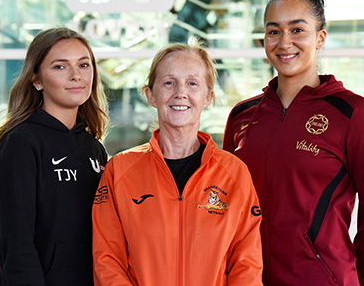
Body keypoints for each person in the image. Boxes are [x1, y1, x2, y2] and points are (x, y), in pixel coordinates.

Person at [223, 0, 364, 286]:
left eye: (298, 29)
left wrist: (343, 278)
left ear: (320, 38)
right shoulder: (242, 116)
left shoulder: (353, 114)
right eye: (274, 31)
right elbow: (227, 207)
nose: (285, 42)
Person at [92, 42, 263, 285]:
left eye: (192, 83)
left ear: (208, 97)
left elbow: (247, 264)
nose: (180, 92)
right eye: (169, 83)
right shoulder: (119, 170)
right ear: (150, 95)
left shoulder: (234, 173)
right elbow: (107, 259)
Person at [0, 27, 109, 286]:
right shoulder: (21, 144)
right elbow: (17, 248)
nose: (76, 76)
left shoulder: (94, 149)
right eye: (60, 67)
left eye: (84, 65)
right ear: (36, 80)